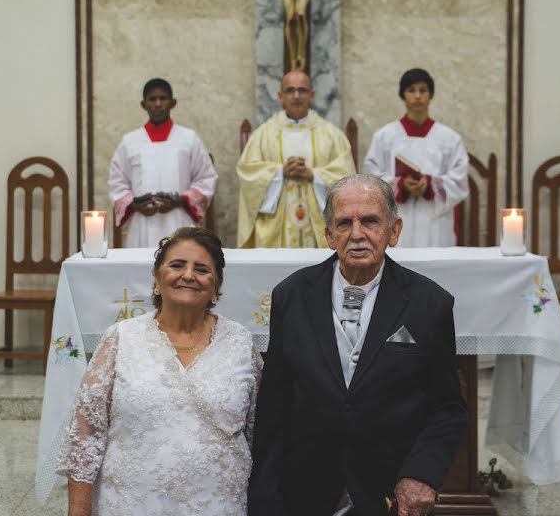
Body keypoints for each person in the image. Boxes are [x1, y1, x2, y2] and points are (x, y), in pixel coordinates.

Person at [248, 174, 468, 516]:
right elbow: (275, 407)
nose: (357, 234)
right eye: (344, 223)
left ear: (393, 231)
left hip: (389, 490)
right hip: (306, 489)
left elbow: (448, 408)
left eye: (370, 221)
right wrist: (263, 499)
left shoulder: (430, 304)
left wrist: (421, 475)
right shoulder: (291, 296)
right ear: (329, 234)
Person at [57, 227, 262, 515]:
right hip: (131, 503)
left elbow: (259, 431)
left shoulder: (240, 342)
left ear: (216, 285)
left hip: (219, 504)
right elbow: (85, 436)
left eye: (202, 269)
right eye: (177, 265)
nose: (188, 275)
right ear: (156, 277)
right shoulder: (120, 338)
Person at [237, 70, 355, 248]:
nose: (297, 96)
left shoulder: (332, 135)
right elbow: (247, 173)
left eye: (302, 90)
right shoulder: (262, 135)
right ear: (280, 96)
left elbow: (348, 179)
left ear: (312, 95)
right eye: (290, 91)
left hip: (321, 231)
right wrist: (280, 172)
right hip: (275, 234)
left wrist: (313, 176)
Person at [362, 68, 469, 247]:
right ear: (403, 95)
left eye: (423, 90)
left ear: (431, 95)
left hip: (436, 221)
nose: (417, 96)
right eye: (411, 90)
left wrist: (429, 185)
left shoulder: (449, 139)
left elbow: (459, 180)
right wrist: (400, 185)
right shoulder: (385, 137)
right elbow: (370, 179)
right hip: (397, 216)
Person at [108, 78, 218, 247]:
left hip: (180, 221)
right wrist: (136, 205)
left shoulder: (189, 139)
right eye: (152, 99)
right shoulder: (129, 142)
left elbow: (206, 178)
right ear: (143, 104)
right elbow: (117, 183)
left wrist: (181, 200)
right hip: (142, 225)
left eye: (163, 98)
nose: (158, 104)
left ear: (173, 103)